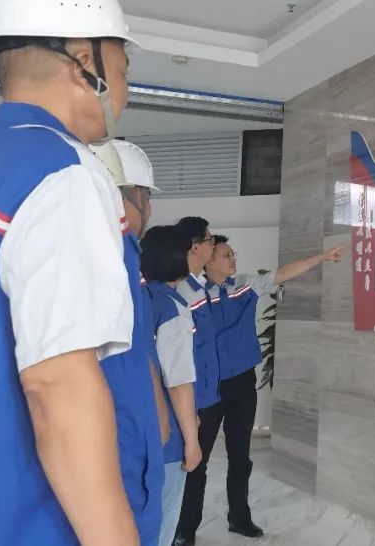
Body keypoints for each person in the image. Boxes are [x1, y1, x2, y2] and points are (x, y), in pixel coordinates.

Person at [0, 0, 143, 545]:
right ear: (85, 62)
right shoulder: (62, 174)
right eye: (123, 68)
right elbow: (58, 385)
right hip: (38, 520)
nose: (125, 89)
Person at [176, 229, 342, 542]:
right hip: (208, 386)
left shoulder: (245, 285)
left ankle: (239, 518)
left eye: (233, 254)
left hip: (241, 383)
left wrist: (322, 257)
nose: (233, 259)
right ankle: (186, 529)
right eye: (226, 255)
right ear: (208, 261)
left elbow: (282, 273)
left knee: (241, 455)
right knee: (198, 459)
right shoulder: (191, 293)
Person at [90, 139, 170, 546]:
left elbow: (137, 351)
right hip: (119, 451)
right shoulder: (111, 257)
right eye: (147, 198)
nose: (150, 210)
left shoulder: (120, 258)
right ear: (131, 195)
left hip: (126, 444)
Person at [141, 225, 203, 546]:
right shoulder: (172, 308)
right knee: (161, 528)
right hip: (165, 441)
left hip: (134, 432)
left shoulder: (139, 299)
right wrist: (191, 441)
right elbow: (178, 381)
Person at [172, 216, 222, 546]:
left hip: (209, 394)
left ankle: (186, 530)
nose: (213, 246)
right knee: (184, 468)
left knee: (197, 469)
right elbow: (176, 357)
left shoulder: (201, 288)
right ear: (195, 247)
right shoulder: (180, 292)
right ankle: (177, 532)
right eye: (209, 240)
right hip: (191, 397)